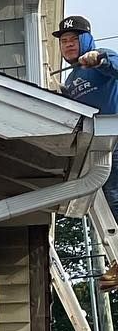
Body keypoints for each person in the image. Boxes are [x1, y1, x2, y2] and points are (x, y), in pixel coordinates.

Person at [54, 15, 118, 286]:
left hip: (116, 136)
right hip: (99, 147)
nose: (68, 45)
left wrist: (100, 59)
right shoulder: (71, 80)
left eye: (73, 40)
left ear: (86, 40)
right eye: (64, 42)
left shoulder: (103, 58)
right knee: (110, 199)